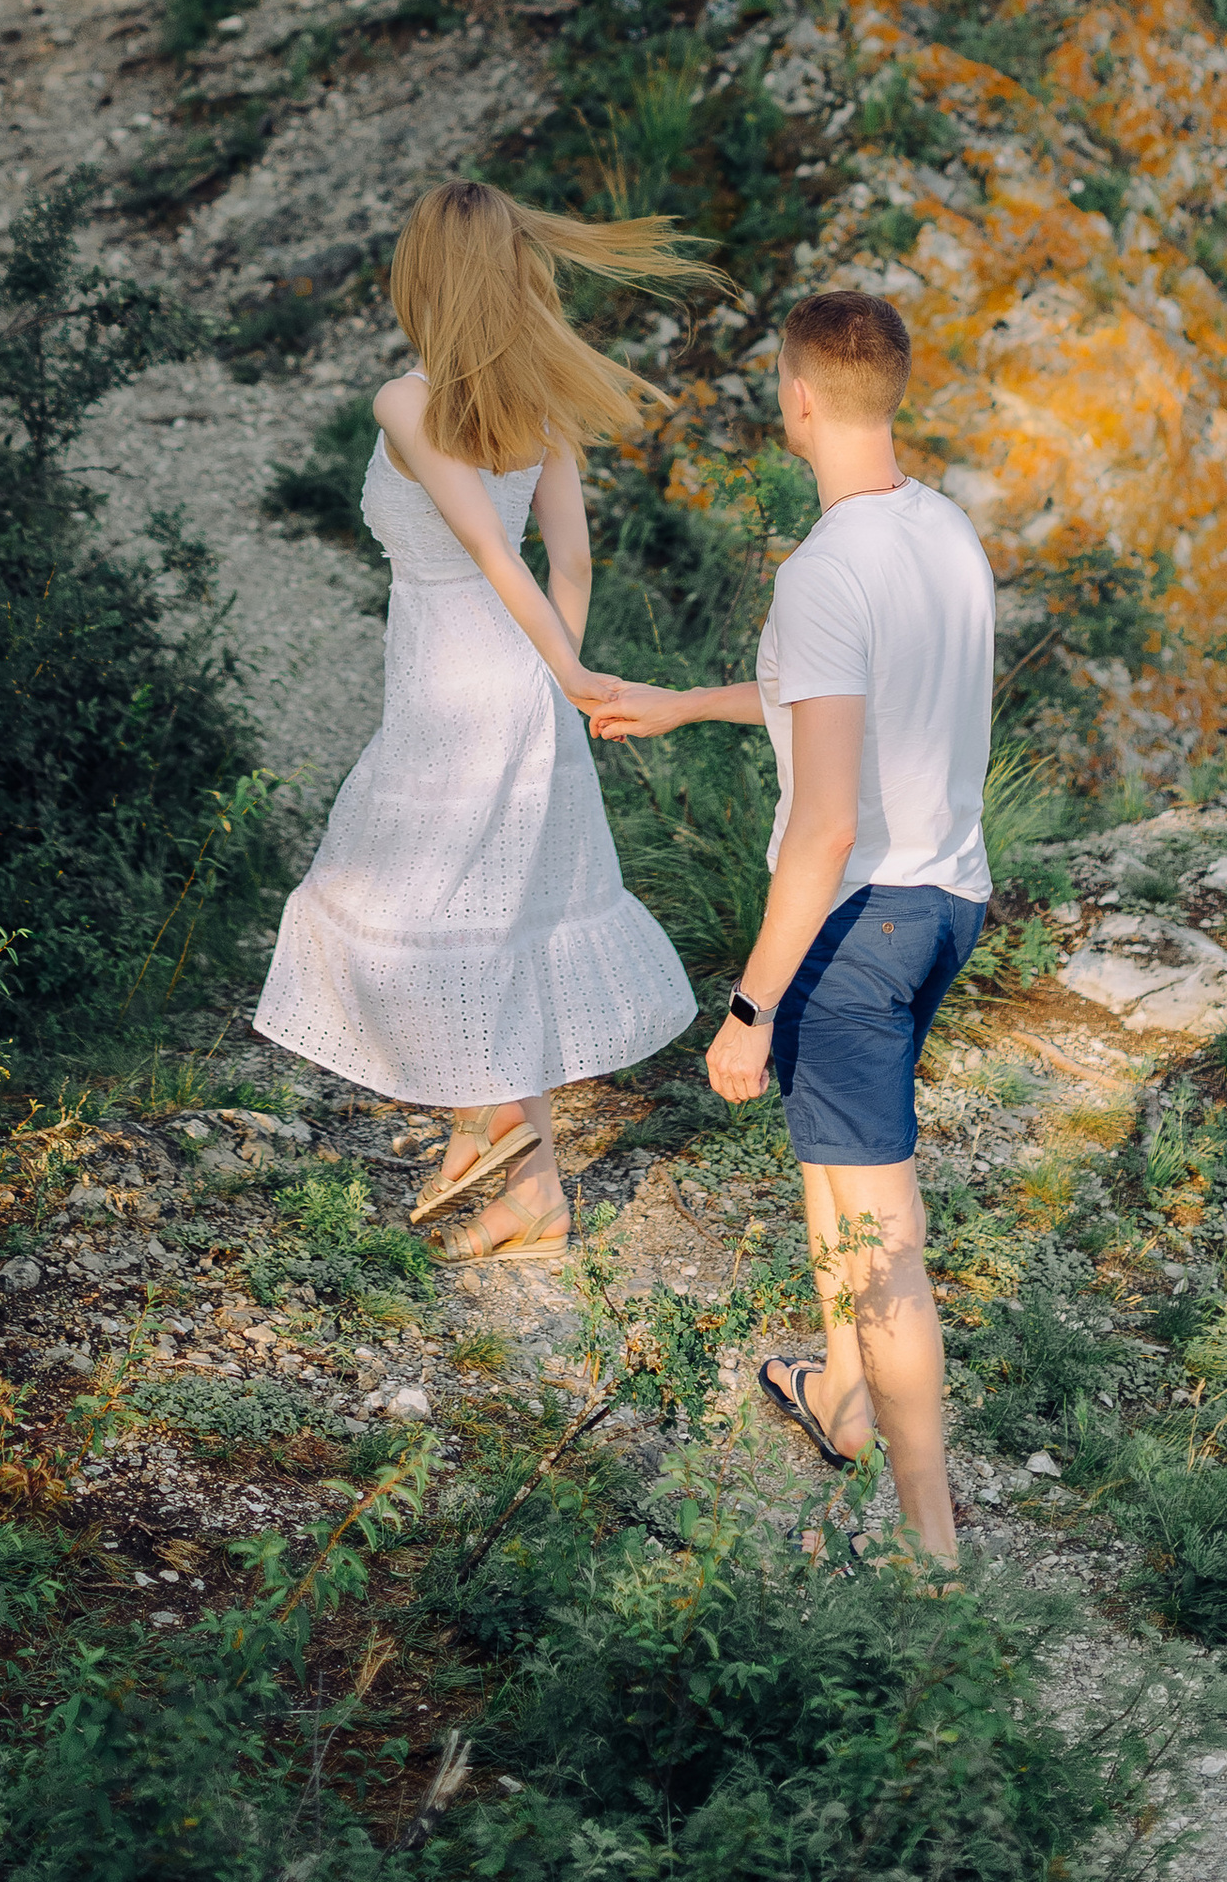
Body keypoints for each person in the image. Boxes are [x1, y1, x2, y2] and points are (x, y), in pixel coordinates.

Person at [590, 287, 993, 1569]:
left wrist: (748, 1007)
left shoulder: (821, 571)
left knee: (885, 1244)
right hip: (947, 903)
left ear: (795, 398)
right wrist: (680, 701)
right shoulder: (944, 531)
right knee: (831, 1166)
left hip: (854, 929)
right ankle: (838, 1391)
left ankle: (934, 1560)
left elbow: (821, 825)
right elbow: (827, 701)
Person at [254, 181, 702, 1261]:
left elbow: (497, 555)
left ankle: (492, 1128)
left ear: (424, 278)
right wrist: (559, 678)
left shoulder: (404, 402)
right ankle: (522, 1184)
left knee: (396, 902)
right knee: (493, 921)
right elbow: (570, 562)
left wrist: (567, 677)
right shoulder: (537, 404)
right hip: (522, 681)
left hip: (459, 691)